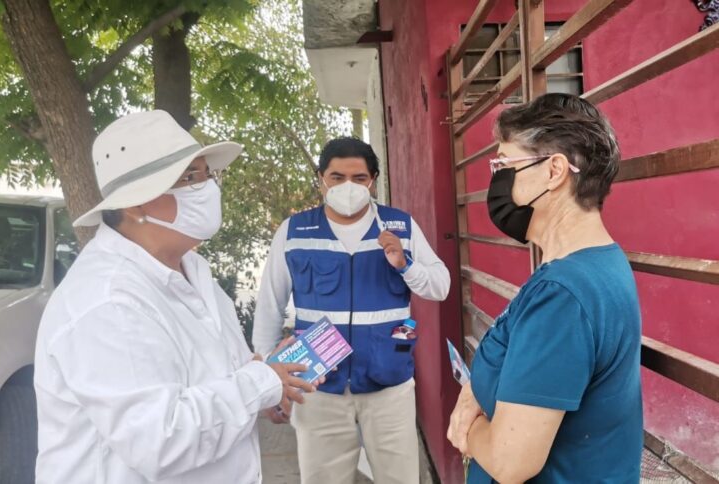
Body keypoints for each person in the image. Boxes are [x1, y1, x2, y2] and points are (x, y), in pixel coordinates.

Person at [34, 110, 319, 484]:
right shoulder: (107, 302)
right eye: (189, 178)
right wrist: (260, 383)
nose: (208, 189)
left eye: (207, 175)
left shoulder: (193, 270)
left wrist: (269, 382)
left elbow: (219, 374)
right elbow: (160, 441)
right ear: (135, 204)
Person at [447, 93, 643, 483]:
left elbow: (510, 461)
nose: (496, 180)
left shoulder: (563, 295)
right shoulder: (593, 265)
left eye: (504, 165)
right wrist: (475, 391)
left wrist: (467, 429)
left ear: (554, 171)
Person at [252, 137, 451, 483]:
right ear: (321, 179)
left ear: (373, 180)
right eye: (337, 177)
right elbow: (270, 306)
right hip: (318, 389)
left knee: (400, 478)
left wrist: (405, 264)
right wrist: (268, 378)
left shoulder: (400, 227)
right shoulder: (294, 232)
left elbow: (440, 286)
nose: (348, 186)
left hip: (388, 386)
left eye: (358, 178)